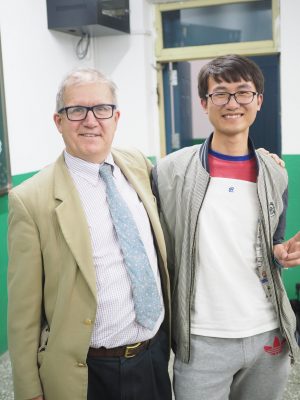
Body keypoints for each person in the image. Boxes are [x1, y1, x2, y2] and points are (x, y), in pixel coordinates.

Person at [7, 68, 172, 400]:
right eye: (76, 110)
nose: (90, 120)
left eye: (101, 109)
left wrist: (262, 159)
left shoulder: (137, 165)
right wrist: (28, 391)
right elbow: (23, 313)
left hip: (154, 356)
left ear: (116, 116)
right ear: (59, 121)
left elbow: (188, 174)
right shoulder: (31, 200)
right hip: (89, 372)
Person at [152, 54, 300, 400]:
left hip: (267, 333)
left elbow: (272, 240)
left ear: (259, 101)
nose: (232, 103)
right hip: (201, 339)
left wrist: (280, 252)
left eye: (243, 92)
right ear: (204, 103)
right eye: (220, 93)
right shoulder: (170, 171)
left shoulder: (275, 172)